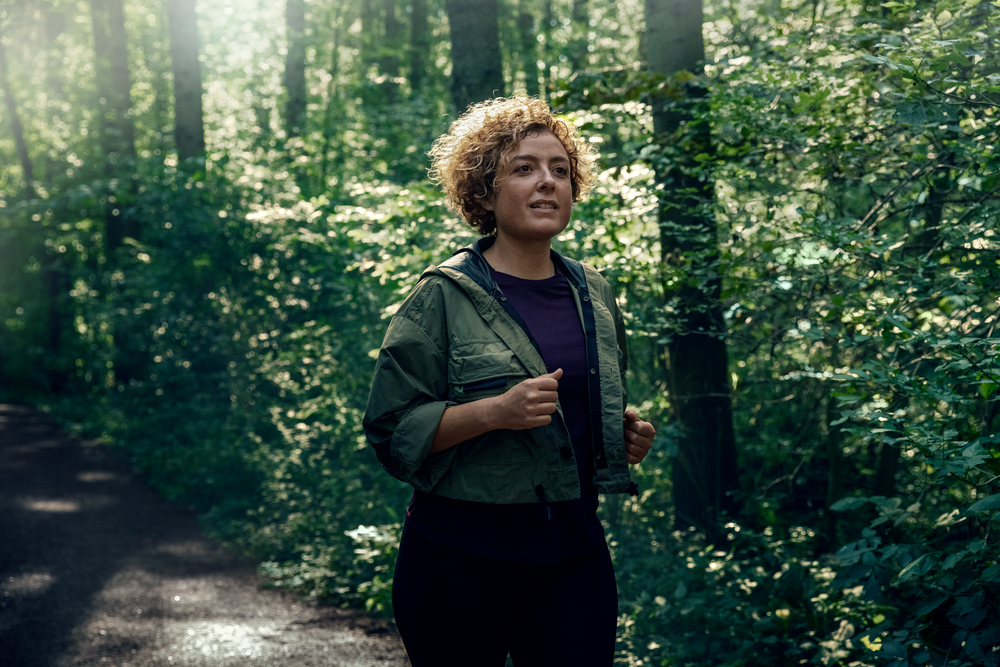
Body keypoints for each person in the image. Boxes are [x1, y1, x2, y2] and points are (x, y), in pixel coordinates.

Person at [362, 96, 655, 667]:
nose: (547, 182)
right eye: (524, 168)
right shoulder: (441, 296)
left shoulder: (594, 292)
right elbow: (391, 431)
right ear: (484, 191)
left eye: (560, 170)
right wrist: (492, 412)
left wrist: (620, 435)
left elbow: (584, 412)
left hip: (572, 554)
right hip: (457, 557)